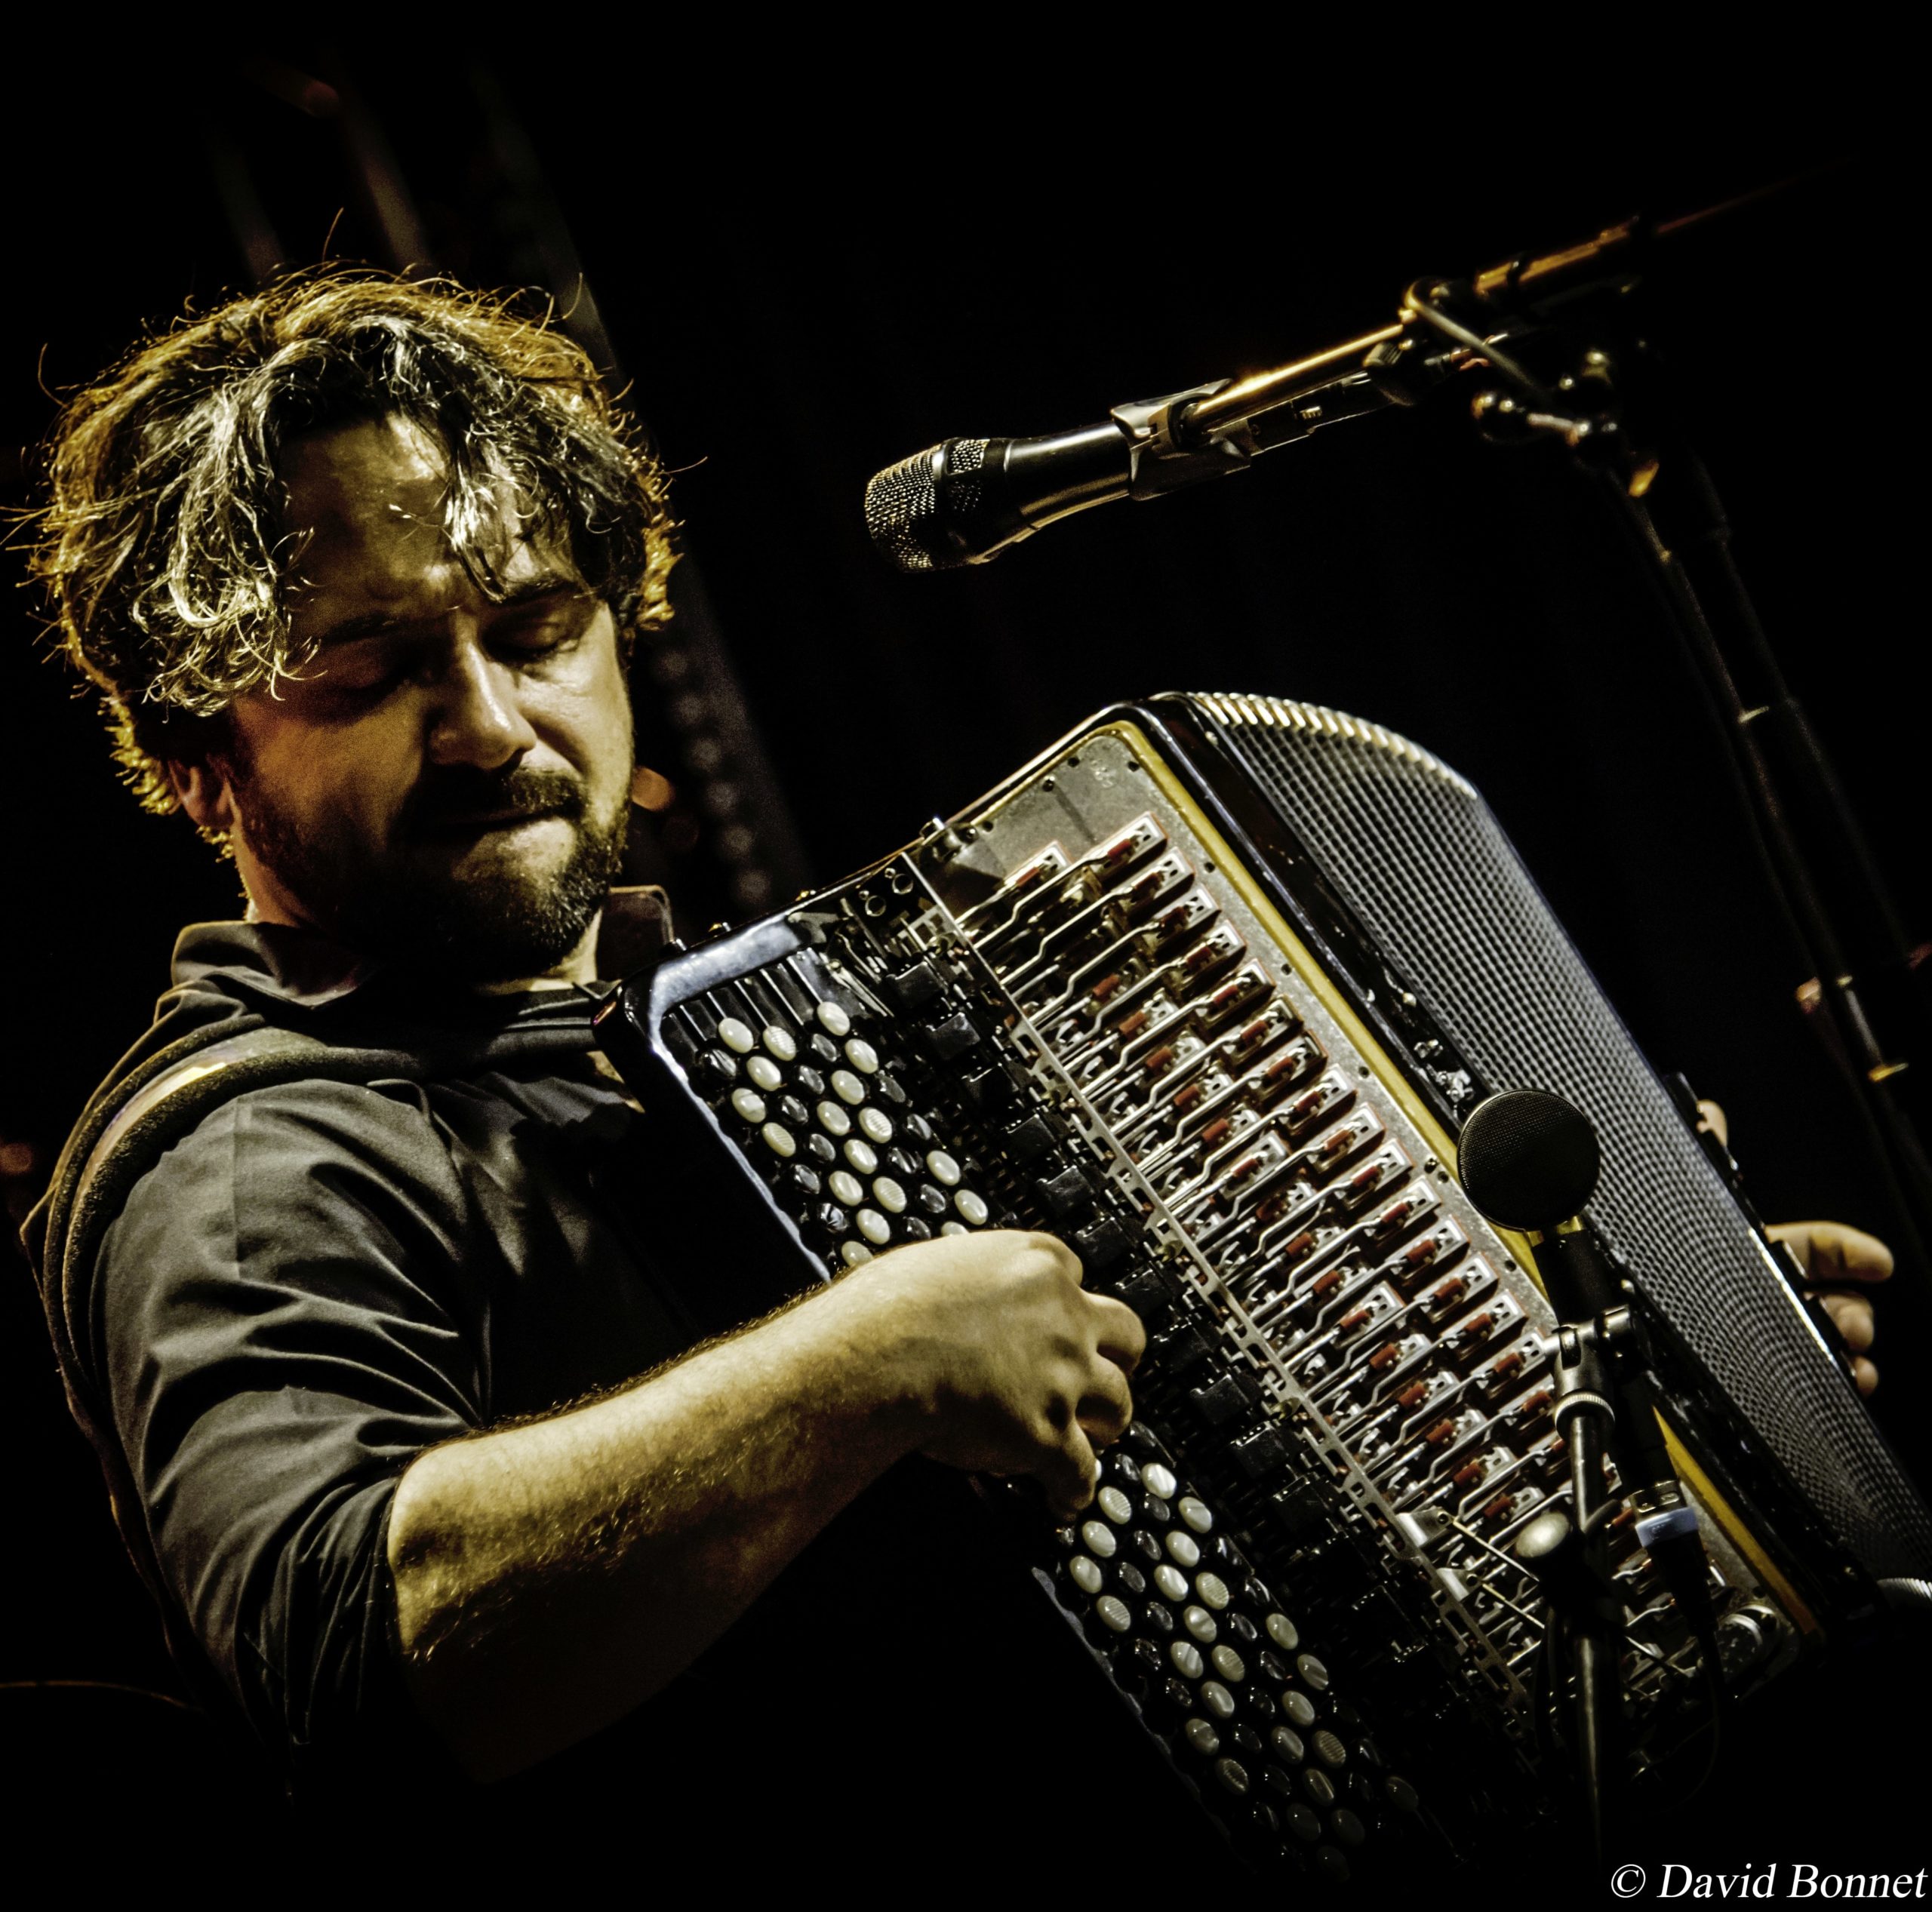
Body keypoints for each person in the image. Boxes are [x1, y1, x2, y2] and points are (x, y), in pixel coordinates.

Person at [19, 269, 1888, 1856]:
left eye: (538, 629)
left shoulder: (743, 1016)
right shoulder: (254, 1152)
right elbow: (340, 1670)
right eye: (366, 672)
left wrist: (1572, 1364)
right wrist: (857, 1364)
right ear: (196, 757)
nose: (492, 720)